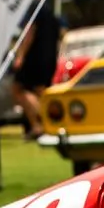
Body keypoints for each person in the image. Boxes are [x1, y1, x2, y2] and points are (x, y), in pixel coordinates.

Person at [11, 8, 64, 138]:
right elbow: (62, 34)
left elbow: (29, 32)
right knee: (41, 91)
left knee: (18, 89)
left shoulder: (33, 8)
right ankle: (42, 124)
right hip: (50, 57)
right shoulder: (51, 12)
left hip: (34, 58)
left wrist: (20, 55)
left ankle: (42, 124)